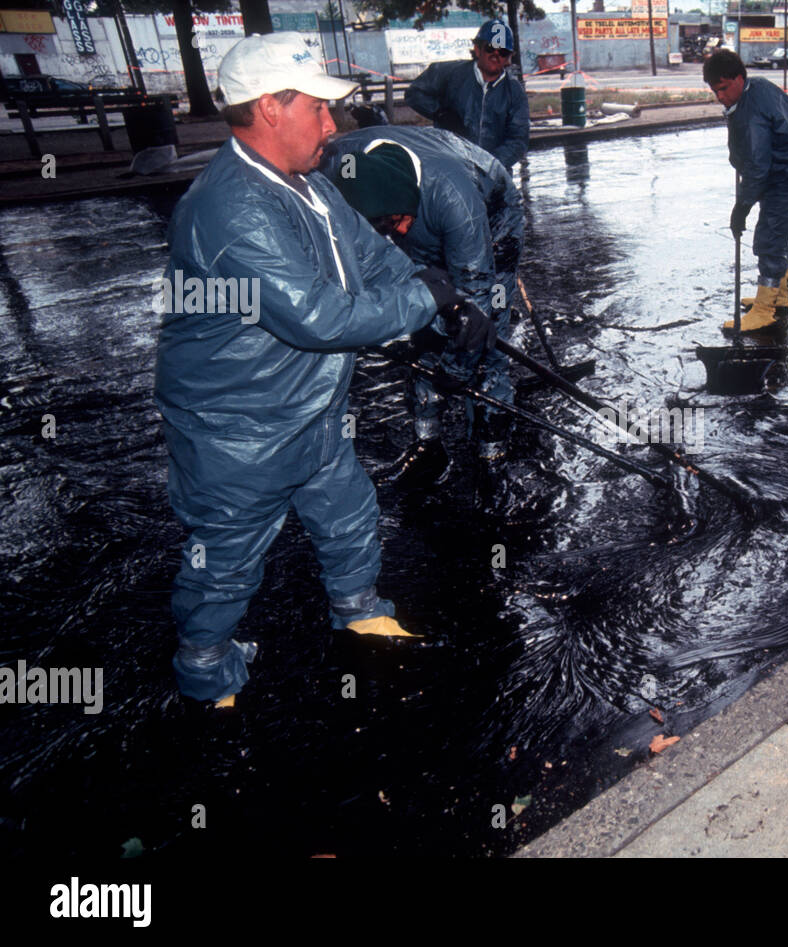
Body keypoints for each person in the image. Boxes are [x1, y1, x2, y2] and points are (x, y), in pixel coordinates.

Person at [155, 33, 494, 706]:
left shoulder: (308, 186)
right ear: (271, 108)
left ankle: (359, 611)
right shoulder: (229, 209)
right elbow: (318, 317)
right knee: (226, 558)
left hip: (311, 405)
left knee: (347, 512)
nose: (333, 124)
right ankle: (206, 672)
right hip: (239, 427)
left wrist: (440, 298)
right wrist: (426, 301)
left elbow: (372, 256)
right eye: (318, 107)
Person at [323, 125, 525, 482]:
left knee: (485, 336)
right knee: (424, 326)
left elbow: (476, 299)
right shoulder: (336, 168)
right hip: (423, 210)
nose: (399, 234)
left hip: (490, 212)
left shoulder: (456, 201)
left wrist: (457, 367)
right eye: (387, 227)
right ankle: (428, 444)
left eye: (400, 222)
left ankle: (491, 454)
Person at [704, 48, 788, 333]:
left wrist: (741, 208)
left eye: (724, 88)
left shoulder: (752, 110)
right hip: (787, 173)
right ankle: (779, 296)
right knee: (777, 235)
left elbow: (757, 165)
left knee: (769, 240)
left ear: (739, 78)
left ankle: (765, 310)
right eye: (715, 91)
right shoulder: (757, 89)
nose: (720, 96)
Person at [405, 18, 530, 171]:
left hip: (493, 175)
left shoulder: (515, 92)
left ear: (509, 58)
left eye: (503, 52)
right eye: (490, 48)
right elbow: (414, 93)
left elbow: (518, 140)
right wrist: (440, 113)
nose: (496, 55)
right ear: (477, 49)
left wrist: (487, 165)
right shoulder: (450, 73)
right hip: (451, 169)